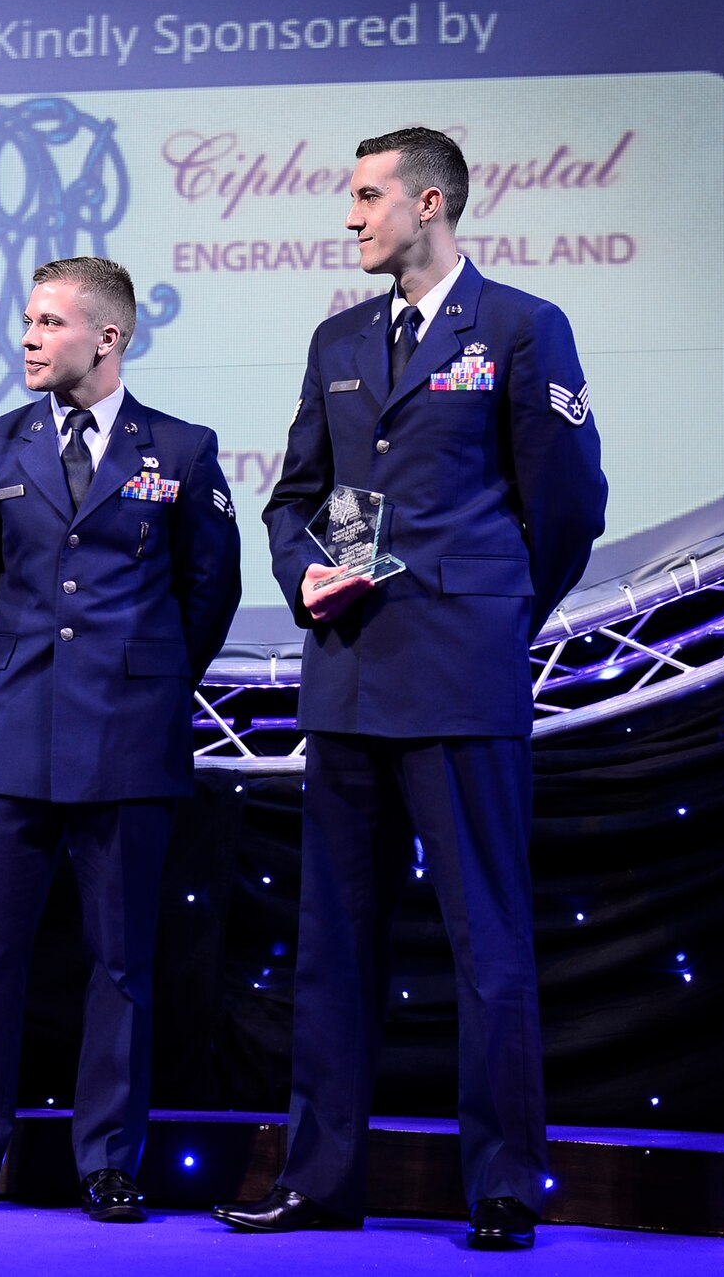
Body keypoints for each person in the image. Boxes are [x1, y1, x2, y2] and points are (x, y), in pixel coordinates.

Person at [213, 127, 606, 1250]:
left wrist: (495, 618)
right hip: (346, 678)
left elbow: (569, 504)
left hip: (460, 673)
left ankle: (503, 1182)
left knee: (486, 936)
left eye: (367, 195)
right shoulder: (337, 336)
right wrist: (306, 573)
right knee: (331, 943)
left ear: (427, 202)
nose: (350, 215)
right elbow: (298, 497)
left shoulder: (523, 327)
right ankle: (322, 1177)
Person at [0, 257, 241, 1222]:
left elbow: (207, 595)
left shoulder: (184, 448)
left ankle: (108, 1164)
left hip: (129, 739)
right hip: (10, 734)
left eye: (50, 322)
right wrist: (19, 668)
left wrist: (142, 680)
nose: (30, 338)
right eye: (29, 320)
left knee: (122, 962)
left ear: (108, 338)